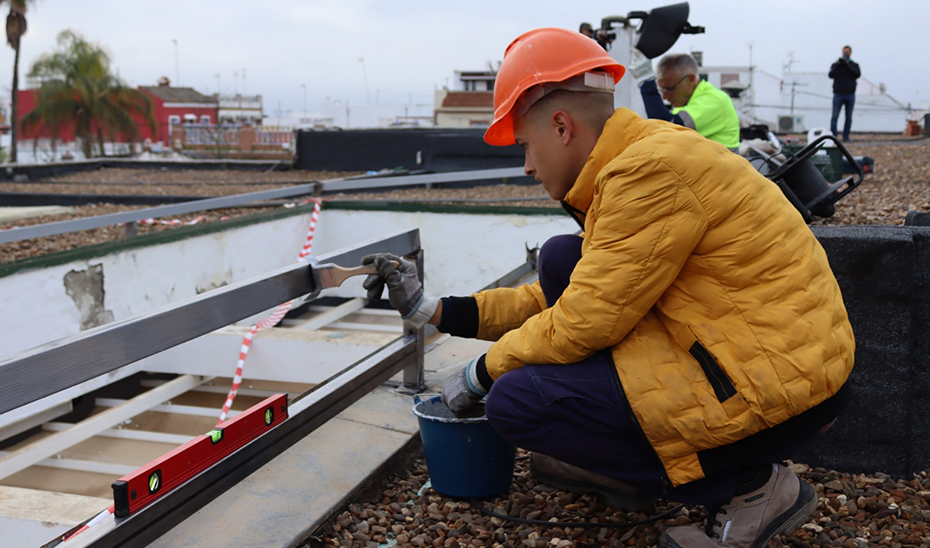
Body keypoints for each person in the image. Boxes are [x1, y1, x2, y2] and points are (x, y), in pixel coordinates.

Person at [361, 28, 854, 548]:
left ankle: (751, 490)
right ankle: (630, 463)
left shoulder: (647, 172)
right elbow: (572, 299)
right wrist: (433, 308)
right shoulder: (638, 157)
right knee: (561, 259)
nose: (527, 166)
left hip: (779, 388)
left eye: (526, 145)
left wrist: (480, 373)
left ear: (561, 126)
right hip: (760, 356)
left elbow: (583, 321)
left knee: (515, 402)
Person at [631, 50, 740, 151]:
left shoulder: (714, 100)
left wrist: (646, 83)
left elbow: (665, 129)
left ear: (691, 79)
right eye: (662, 90)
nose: (664, 97)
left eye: (669, 89)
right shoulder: (687, 105)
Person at [829, 46, 861, 142]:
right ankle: (833, 136)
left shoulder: (854, 65)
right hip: (838, 93)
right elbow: (830, 75)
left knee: (848, 117)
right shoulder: (836, 65)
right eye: (844, 52)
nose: (845, 54)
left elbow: (857, 74)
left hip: (850, 94)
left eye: (847, 52)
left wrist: (848, 65)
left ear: (850, 53)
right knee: (834, 116)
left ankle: (845, 137)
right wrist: (838, 65)